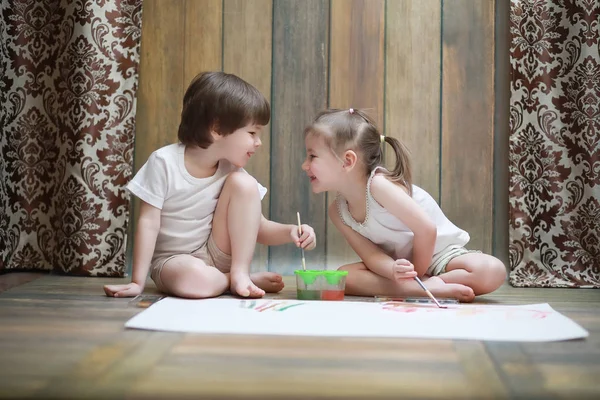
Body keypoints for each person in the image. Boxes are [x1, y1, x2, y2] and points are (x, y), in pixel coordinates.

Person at [104, 71, 316, 299]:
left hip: (217, 254)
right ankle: (235, 279)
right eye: (252, 132)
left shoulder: (232, 170)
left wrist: (291, 231)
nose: (258, 142)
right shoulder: (163, 162)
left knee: (245, 184)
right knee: (194, 279)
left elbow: (257, 226)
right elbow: (148, 223)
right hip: (174, 262)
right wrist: (137, 282)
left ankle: (239, 274)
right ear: (216, 129)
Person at [301, 108, 506, 302]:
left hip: (438, 255)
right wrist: (393, 271)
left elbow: (426, 230)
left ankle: (421, 286)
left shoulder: (379, 185)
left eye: (312, 156)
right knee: (345, 277)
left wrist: (414, 273)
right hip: (399, 266)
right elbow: (372, 256)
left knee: (492, 270)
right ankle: (427, 288)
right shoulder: (338, 212)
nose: (305, 165)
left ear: (347, 161)